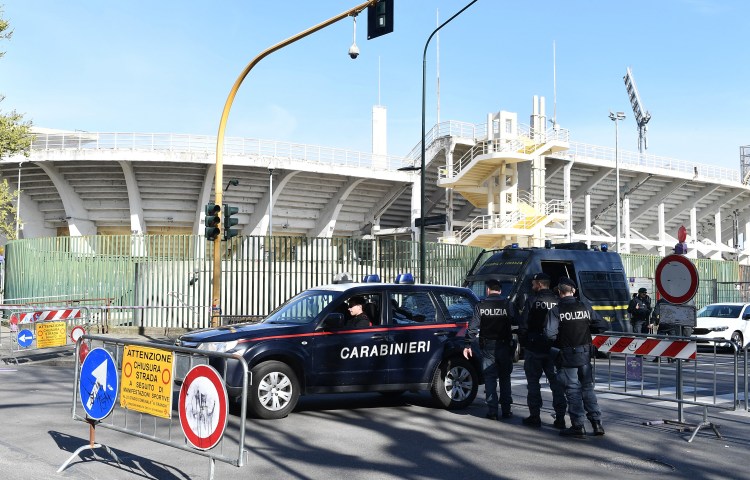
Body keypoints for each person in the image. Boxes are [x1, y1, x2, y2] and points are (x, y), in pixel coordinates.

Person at [544, 277, 608, 438]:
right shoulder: (584, 306)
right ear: (573, 291)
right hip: (585, 354)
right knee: (587, 389)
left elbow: (549, 334)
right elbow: (602, 325)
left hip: (567, 355)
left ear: (559, 292)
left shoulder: (556, 310)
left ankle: (578, 426)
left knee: (572, 390)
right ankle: (597, 423)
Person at [517, 272, 567, 429]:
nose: (532, 286)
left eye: (533, 284)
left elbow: (524, 325)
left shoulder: (532, 300)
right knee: (556, 385)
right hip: (554, 348)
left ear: (539, 284)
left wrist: (524, 344)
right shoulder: (558, 301)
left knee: (533, 383)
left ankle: (535, 416)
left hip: (534, 347)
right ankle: (560, 418)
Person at [463, 279, 516, 420]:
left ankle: (492, 411)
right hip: (505, 346)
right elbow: (516, 321)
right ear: (500, 290)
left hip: (488, 347)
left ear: (487, 290)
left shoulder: (481, 305)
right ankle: (506, 410)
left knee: (490, 378)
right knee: (505, 378)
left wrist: (467, 345)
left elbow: (472, 328)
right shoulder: (507, 304)